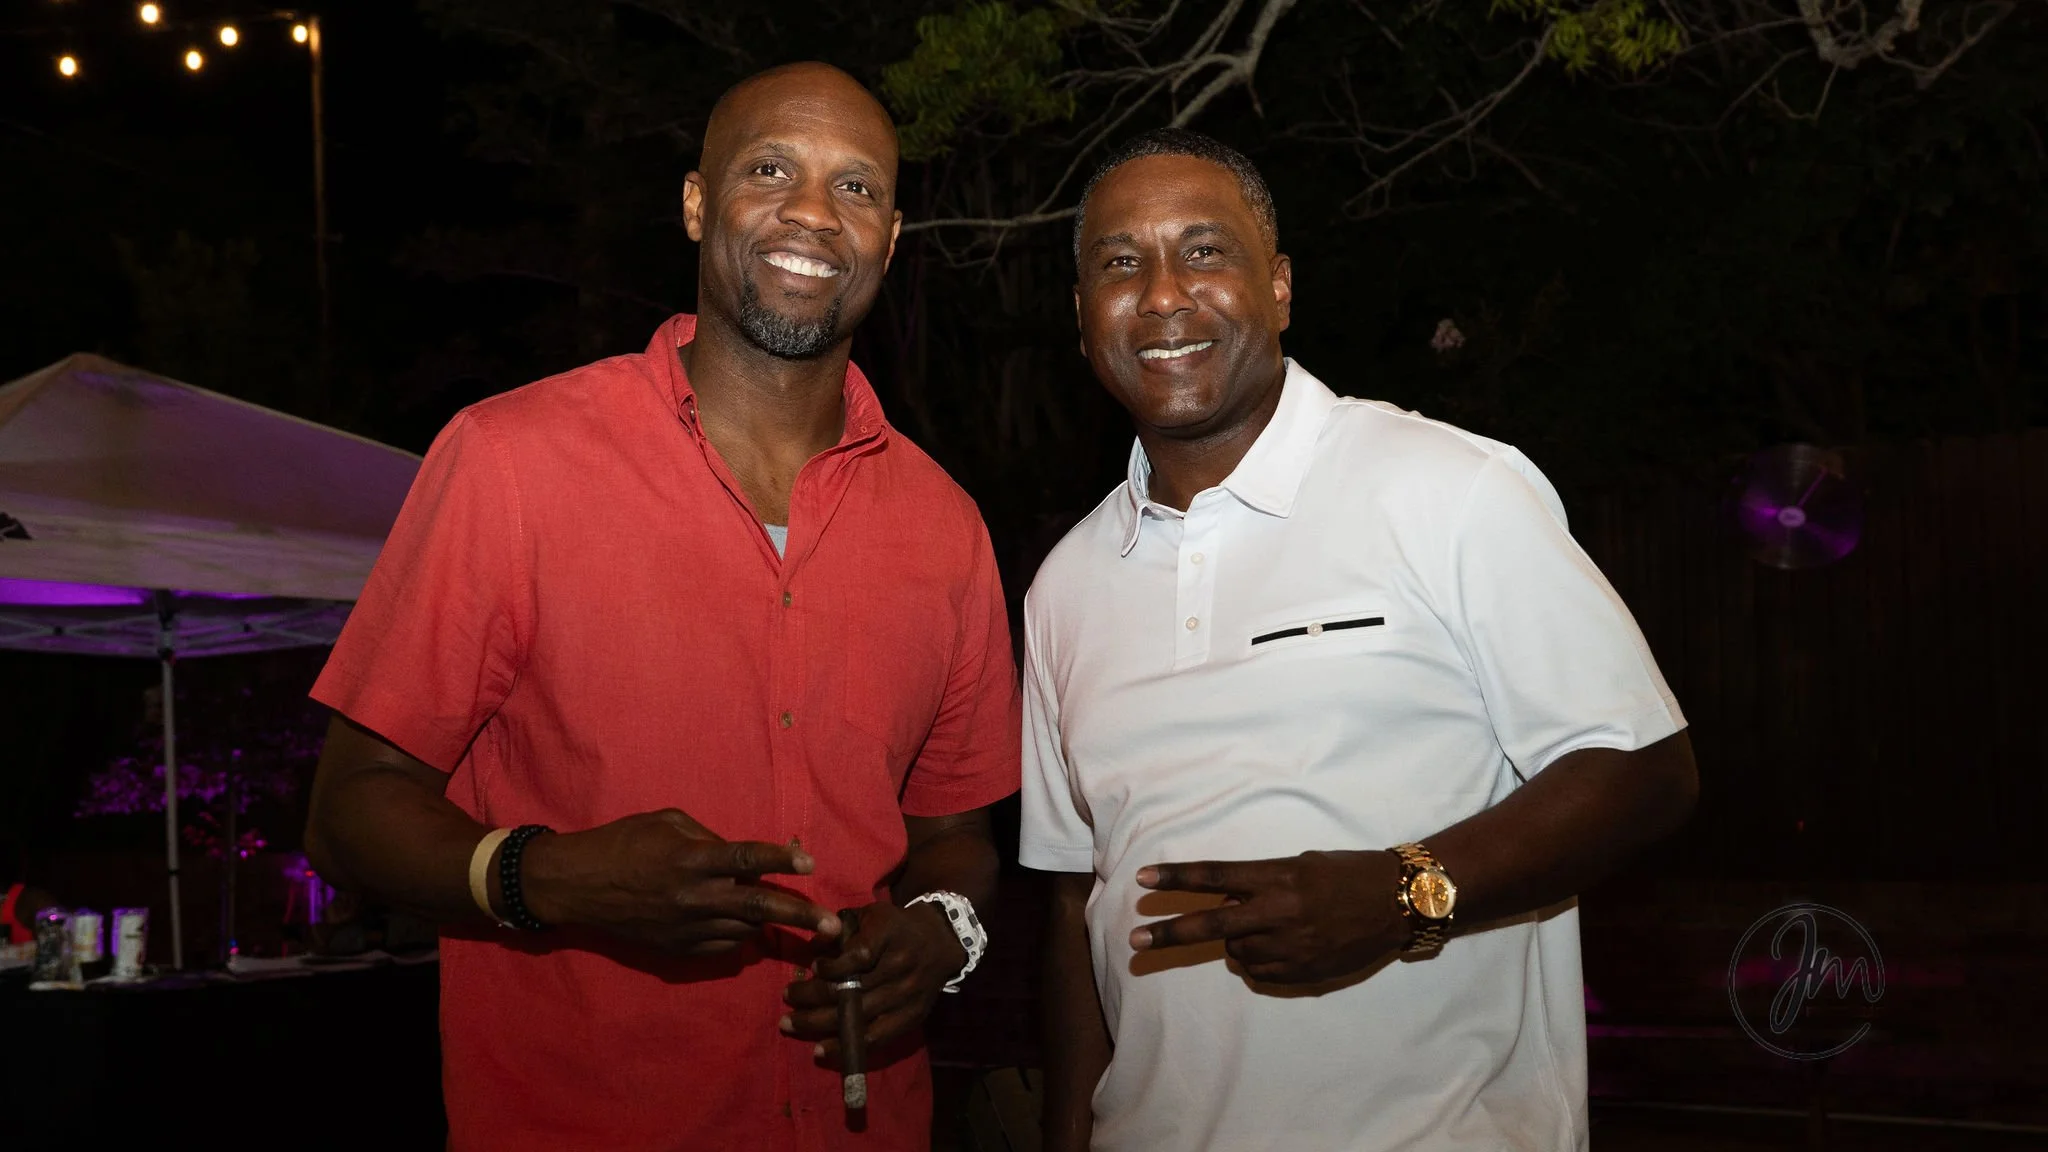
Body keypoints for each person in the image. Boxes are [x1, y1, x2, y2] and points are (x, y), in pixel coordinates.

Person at [304, 62, 1019, 1151]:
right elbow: (349, 810)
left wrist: (939, 932)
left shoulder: (946, 527)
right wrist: (550, 879)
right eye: (769, 168)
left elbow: (956, 835)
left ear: (891, 236)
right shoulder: (509, 462)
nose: (813, 213)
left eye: (857, 187)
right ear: (695, 204)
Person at [1020, 128, 1698, 1152]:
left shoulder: (1449, 487)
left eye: (1203, 251)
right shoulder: (1063, 584)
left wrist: (1403, 892)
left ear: (1279, 287)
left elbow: (1646, 771)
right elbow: (1078, 895)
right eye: (1119, 264)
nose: (1161, 295)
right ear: (1081, 318)